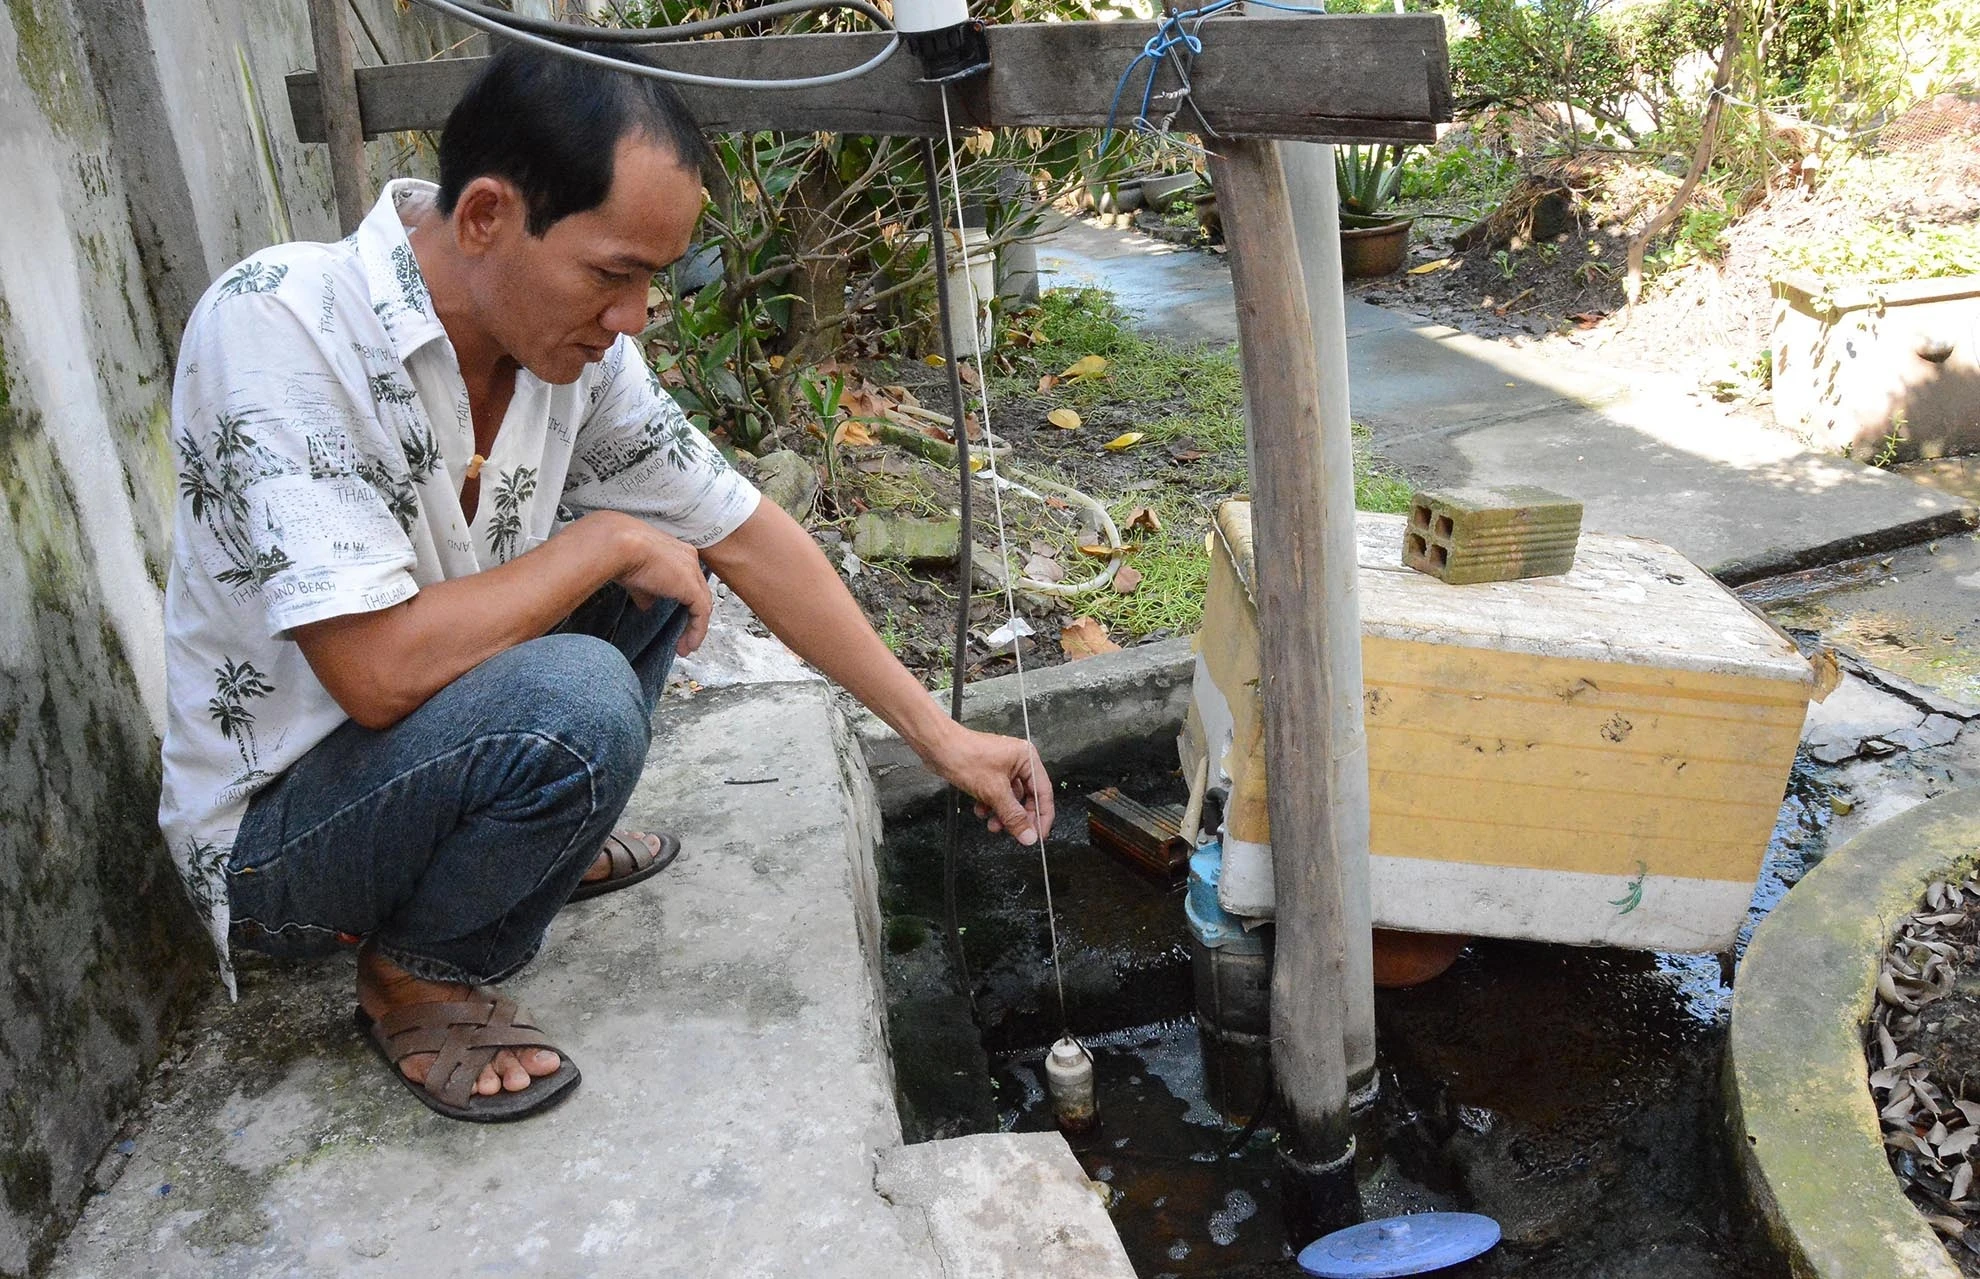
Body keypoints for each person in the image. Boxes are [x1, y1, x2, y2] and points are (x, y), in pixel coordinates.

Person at [158, 40, 1052, 1122]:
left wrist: (940, 738)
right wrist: (606, 542)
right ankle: (417, 964)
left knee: (656, 578)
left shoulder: (569, 351)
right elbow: (379, 673)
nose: (632, 318)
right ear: (486, 215)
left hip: (419, 754)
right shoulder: (278, 325)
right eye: (610, 272)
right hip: (280, 847)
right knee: (581, 686)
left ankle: (513, 844)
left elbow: (747, 533)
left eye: (650, 281)